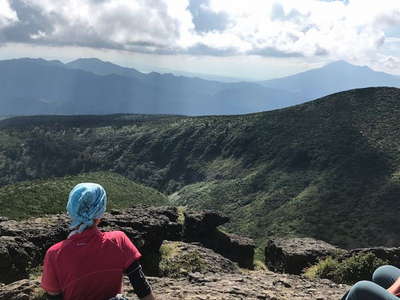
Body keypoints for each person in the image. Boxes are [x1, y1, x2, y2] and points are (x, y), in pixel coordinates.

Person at [41, 182, 157, 300]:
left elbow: (54, 296)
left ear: (71, 208)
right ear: (100, 213)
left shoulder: (54, 254)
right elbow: (141, 286)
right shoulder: (118, 240)